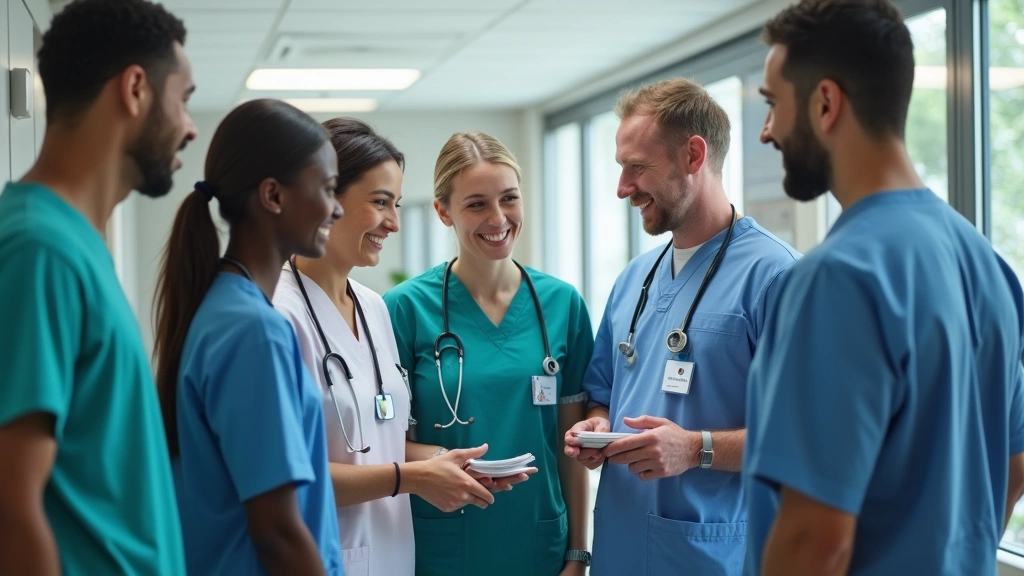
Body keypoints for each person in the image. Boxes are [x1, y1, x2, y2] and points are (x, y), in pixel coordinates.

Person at [743, 0, 1024, 574]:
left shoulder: (838, 278)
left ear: (825, 103)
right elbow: (1014, 464)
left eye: (773, 105)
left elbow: (815, 540)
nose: (767, 131)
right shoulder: (987, 265)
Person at [563, 77, 800, 575]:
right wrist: (597, 424)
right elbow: (602, 389)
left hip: (712, 553)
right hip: (621, 550)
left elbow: (808, 437)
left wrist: (697, 449)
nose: (623, 188)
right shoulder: (634, 278)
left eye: (637, 168)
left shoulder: (777, 279)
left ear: (694, 155)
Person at [0, 0, 196, 573]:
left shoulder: (76, 245)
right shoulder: (40, 249)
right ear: (135, 89)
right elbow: (13, 508)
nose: (189, 126)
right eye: (183, 99)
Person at [273, 118, 504, 575]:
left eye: (396, 204)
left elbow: (383, 442)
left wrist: (447, 463)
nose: (393, 223)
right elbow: (285, 477)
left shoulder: (375, 308)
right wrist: (411, 479)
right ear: (325, 198)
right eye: (380, 203)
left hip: (392, 556)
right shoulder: (276, 314)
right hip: (317, 557)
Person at [384, 132, 593, 576]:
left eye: (509, 199)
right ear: (443, 211)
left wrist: (578, 552)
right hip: (445, 542)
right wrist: (440, 458)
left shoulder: (562, 304)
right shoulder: (404, 309)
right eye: (476, 203)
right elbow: (383, 441)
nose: (498, 218)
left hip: (540, 540)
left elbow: (570, 444)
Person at [153, 99, 344, 576]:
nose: (336, 208)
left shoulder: (220, 306)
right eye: (327, 188)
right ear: (273, 196)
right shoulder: (255, 331)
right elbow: (277, 533)